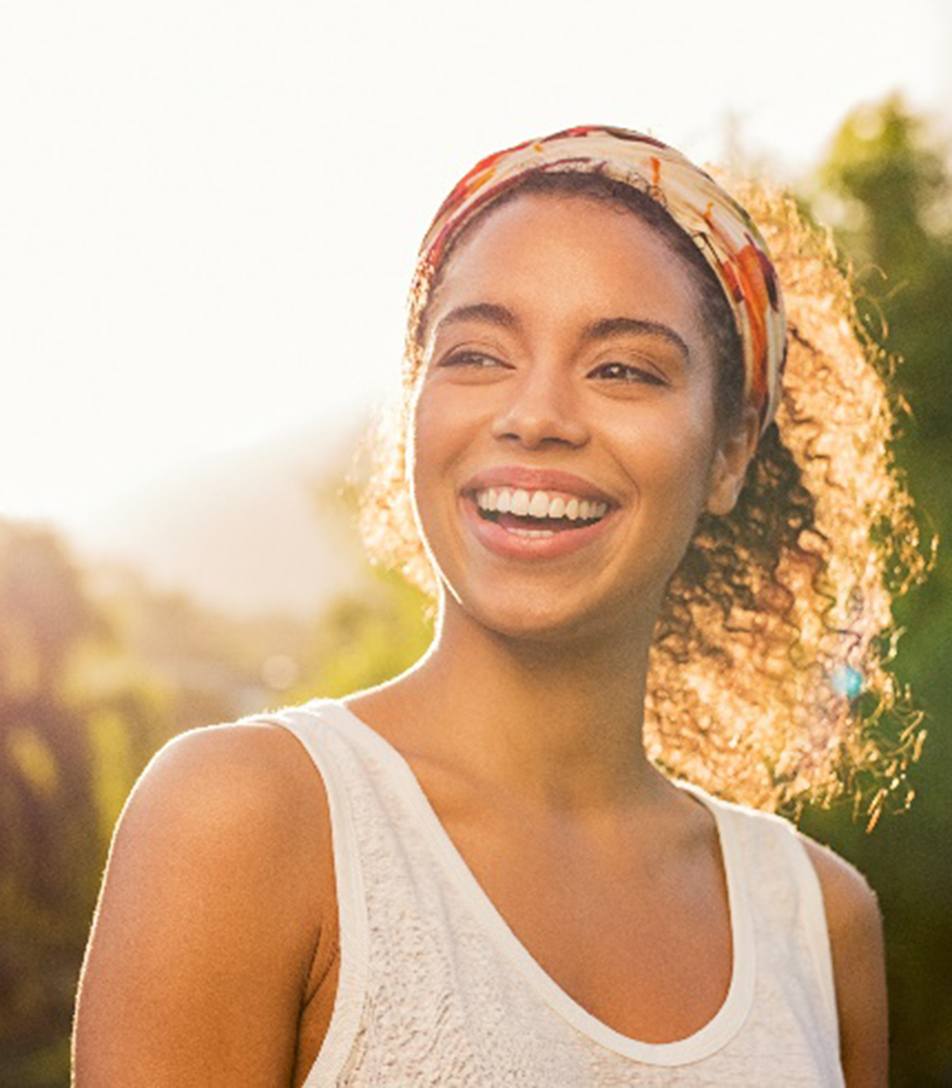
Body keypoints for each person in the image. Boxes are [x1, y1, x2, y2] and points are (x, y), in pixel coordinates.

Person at [73, 124, 925, 1086]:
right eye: (477, 355)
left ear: (728, 453)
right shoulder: (246, 820)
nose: (535, 416)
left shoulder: (818, 922)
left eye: (623, 369)